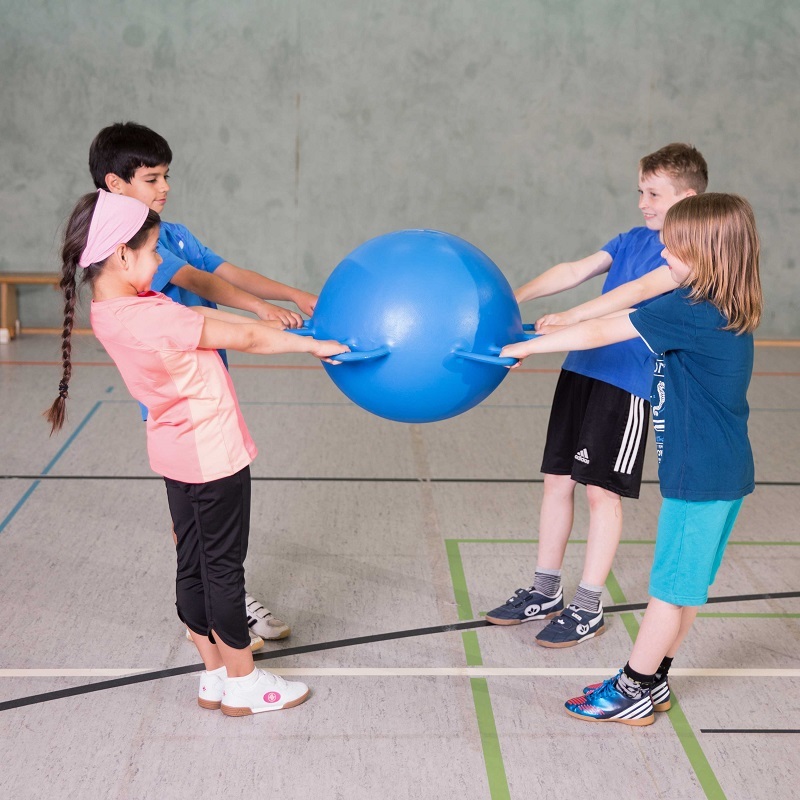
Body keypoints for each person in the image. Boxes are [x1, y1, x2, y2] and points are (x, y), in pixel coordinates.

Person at [45, 191, 348, 715]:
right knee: (224, 570)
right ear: (121, 254)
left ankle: (214, 674)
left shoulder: (113, 309)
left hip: (175, 452)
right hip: (212, 454)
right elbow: (246, 339)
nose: (160, 262)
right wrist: (316, 345)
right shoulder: (150, 318)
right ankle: (245, 682)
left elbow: (215, 318)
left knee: (193, 564)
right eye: (152, 252)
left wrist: (273, 319)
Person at [499, 192, 762, 724]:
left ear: (707, 255)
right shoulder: (720, 304)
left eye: (675, 249)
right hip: (726, 473)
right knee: (686, 590)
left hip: (699, 479)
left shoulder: (690, 311)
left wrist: (520, 347)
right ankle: (655, 679)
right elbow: (619, 314)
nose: (663, 254)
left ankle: (633, 686)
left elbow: (604, 330)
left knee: (667, 592)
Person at [89, 121, 316, 646]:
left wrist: (292, 294)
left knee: (213, 520)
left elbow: (225, 270)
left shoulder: (172, 231)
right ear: (115, 185)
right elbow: (199, 281)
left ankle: (224, 599)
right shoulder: (130, 246)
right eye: (151, 179)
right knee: (194, 518)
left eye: (166, 176)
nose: (164, 187)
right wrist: (261, 310)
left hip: (209, 383)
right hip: (176, 398)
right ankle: (215, 613)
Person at [485, 143, 708, 648]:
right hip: (581, 368)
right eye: (640, 191)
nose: (642, 202)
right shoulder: (631, 239)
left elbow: (630, 298)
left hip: (627, 385)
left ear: (688, 198)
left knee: (600, 493)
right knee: (557, 481)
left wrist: (568, 319)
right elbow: (573, 270)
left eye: (654, 194)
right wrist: (513, 296)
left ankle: (588, 606)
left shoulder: (687, 258)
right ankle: (545, 590)